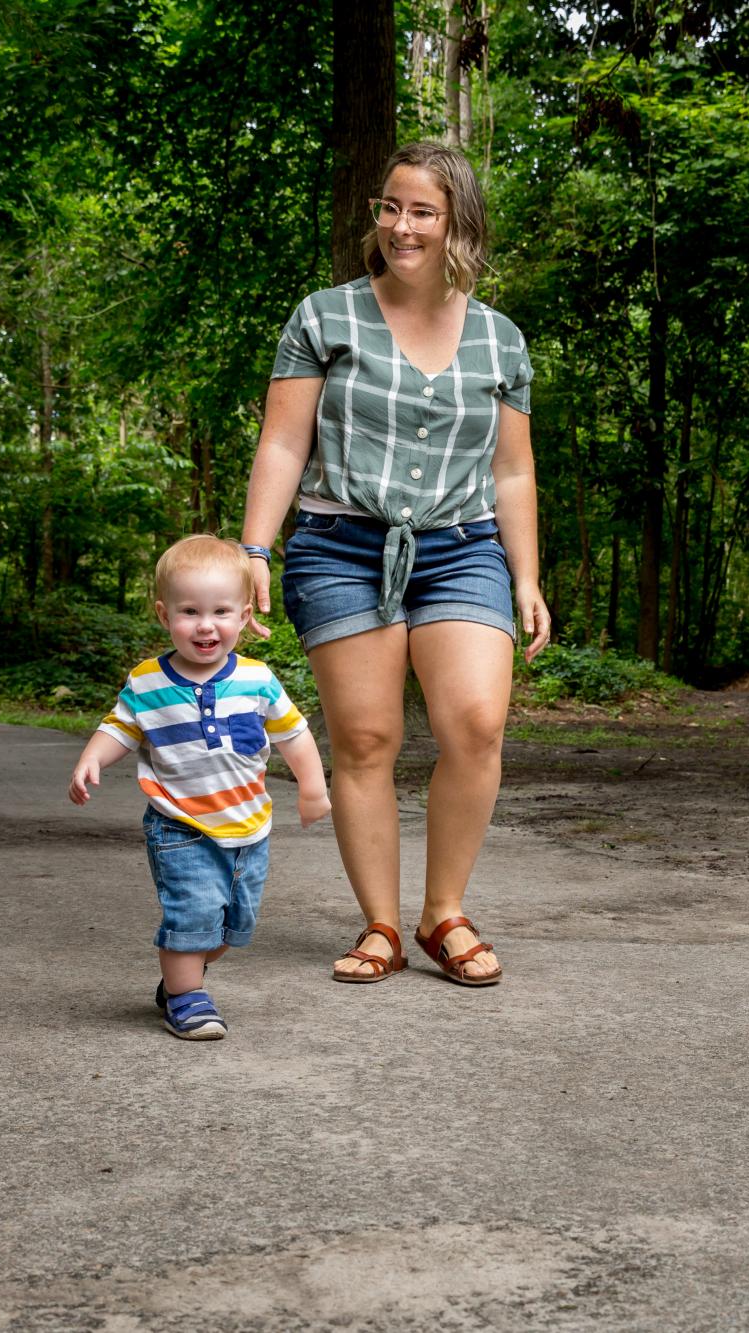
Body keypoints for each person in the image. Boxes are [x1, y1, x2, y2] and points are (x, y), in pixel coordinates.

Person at [239, 140, 549, 987]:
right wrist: (254, 548)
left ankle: (443, 911)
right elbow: (282, 441)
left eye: (422, 211)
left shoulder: (500, 340)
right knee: (367, 739)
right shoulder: (324, 317)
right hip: (342, 544)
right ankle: (380, 923)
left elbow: (512, 472)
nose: (400, 226)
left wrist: (524, 574)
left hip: (461, 548)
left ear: (458, 226)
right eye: (389, 207)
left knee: (476, 724)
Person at [68, 535, 332, 1038]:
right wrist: (90, 759)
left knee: (233, 926)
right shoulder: (148, 681)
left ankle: (179, 980)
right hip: (180, 825)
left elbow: (294, 735)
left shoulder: (258, 679)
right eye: (190, 611)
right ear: (164, 615)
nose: (205, 625)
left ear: (243, 615)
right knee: (190, 916)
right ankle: (187, 997)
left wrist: (313, 788)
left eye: (220, 611)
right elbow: (120, 727)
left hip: (249, 827)